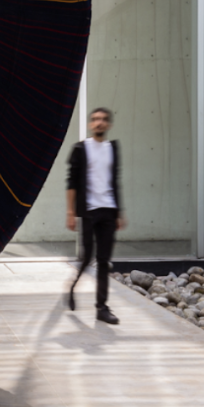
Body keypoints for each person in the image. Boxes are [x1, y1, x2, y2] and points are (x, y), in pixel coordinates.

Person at [66, 106, 125, 323]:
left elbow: (115, 181)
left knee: (103, 260)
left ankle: (102, 307)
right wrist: (70, 212)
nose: (99, 122)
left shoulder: (113, 149)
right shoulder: (81, 149)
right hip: (89, 211)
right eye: (95, 119)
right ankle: (72, 286)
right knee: (87, 256)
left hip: (108, 210)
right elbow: (71, 182)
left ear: (109, 124)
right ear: (91, 124)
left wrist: (119, 212)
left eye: (103, 119)